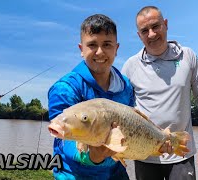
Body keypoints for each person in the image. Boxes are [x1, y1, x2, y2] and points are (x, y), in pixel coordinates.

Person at [122, 6, 198, 180]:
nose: (152, 34)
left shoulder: (188, 56)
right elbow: (123, 110)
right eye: (145, 31)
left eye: (156, 26)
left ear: (166, 24)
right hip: (144, 153)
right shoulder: (130, 66)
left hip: (181, 152)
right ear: (139, 35)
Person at [48, 14, 134, 180]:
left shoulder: (126, 86)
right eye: (92, 45)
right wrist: (93, 156)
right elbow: (64, 141)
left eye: (107, 44)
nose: (100, 52)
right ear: (81, 49)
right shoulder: (65, 88)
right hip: (74, 175)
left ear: (116, 48)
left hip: (116, 174)